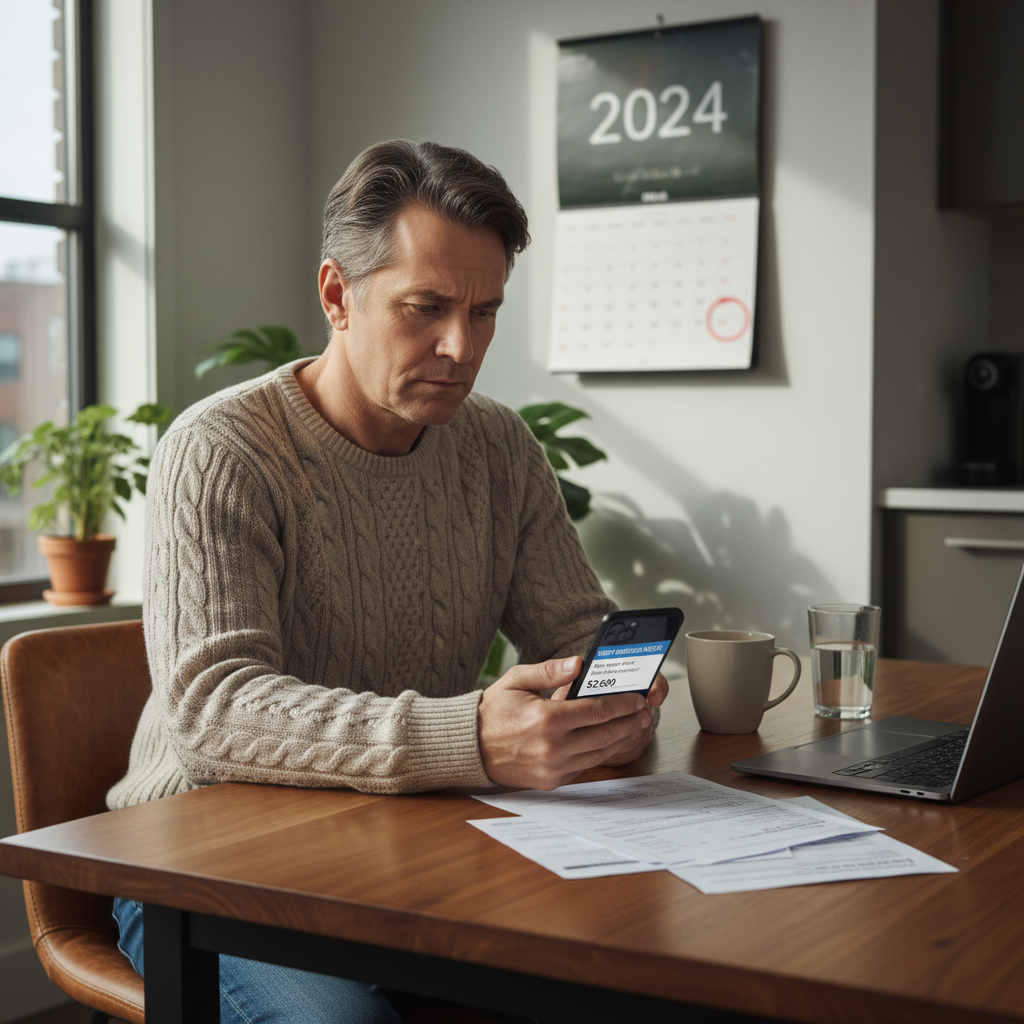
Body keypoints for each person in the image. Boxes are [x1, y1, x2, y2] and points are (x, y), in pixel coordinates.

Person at [107, 139, 667, 1023]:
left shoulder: (498, 446)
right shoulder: (220, 451)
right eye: (427, 308)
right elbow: (212, 711)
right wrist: (470, 735)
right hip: (200, 862)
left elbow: (575, 633)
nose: (461, 346)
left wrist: (610, 697)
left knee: (627, 970)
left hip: (403, 840)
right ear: (337, 295)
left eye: (484, 312)